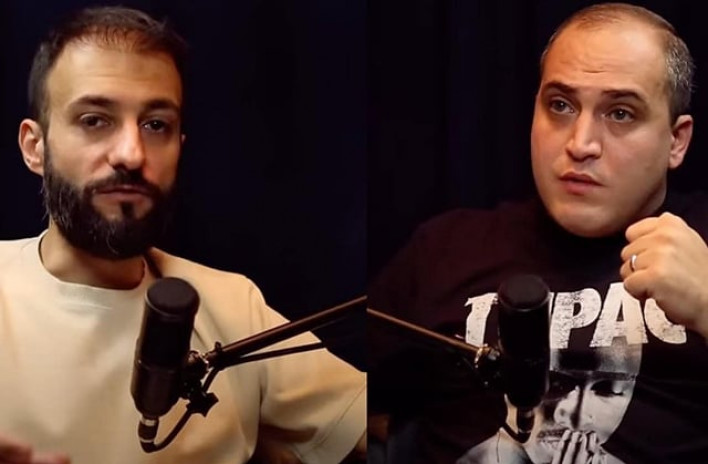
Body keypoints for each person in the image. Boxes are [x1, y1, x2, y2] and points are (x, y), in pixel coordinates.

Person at [0, 6, 366, 464]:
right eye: (95, 120)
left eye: (156, 125)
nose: (132, 154)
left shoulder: (234, 306)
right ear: (34, 147)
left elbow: (371, 423)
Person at [369, 3, 708, 463]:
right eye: (560, 105)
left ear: (676, 141)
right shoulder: (444, 249)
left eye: (621, 113)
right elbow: (341, 409)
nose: (580, 144)